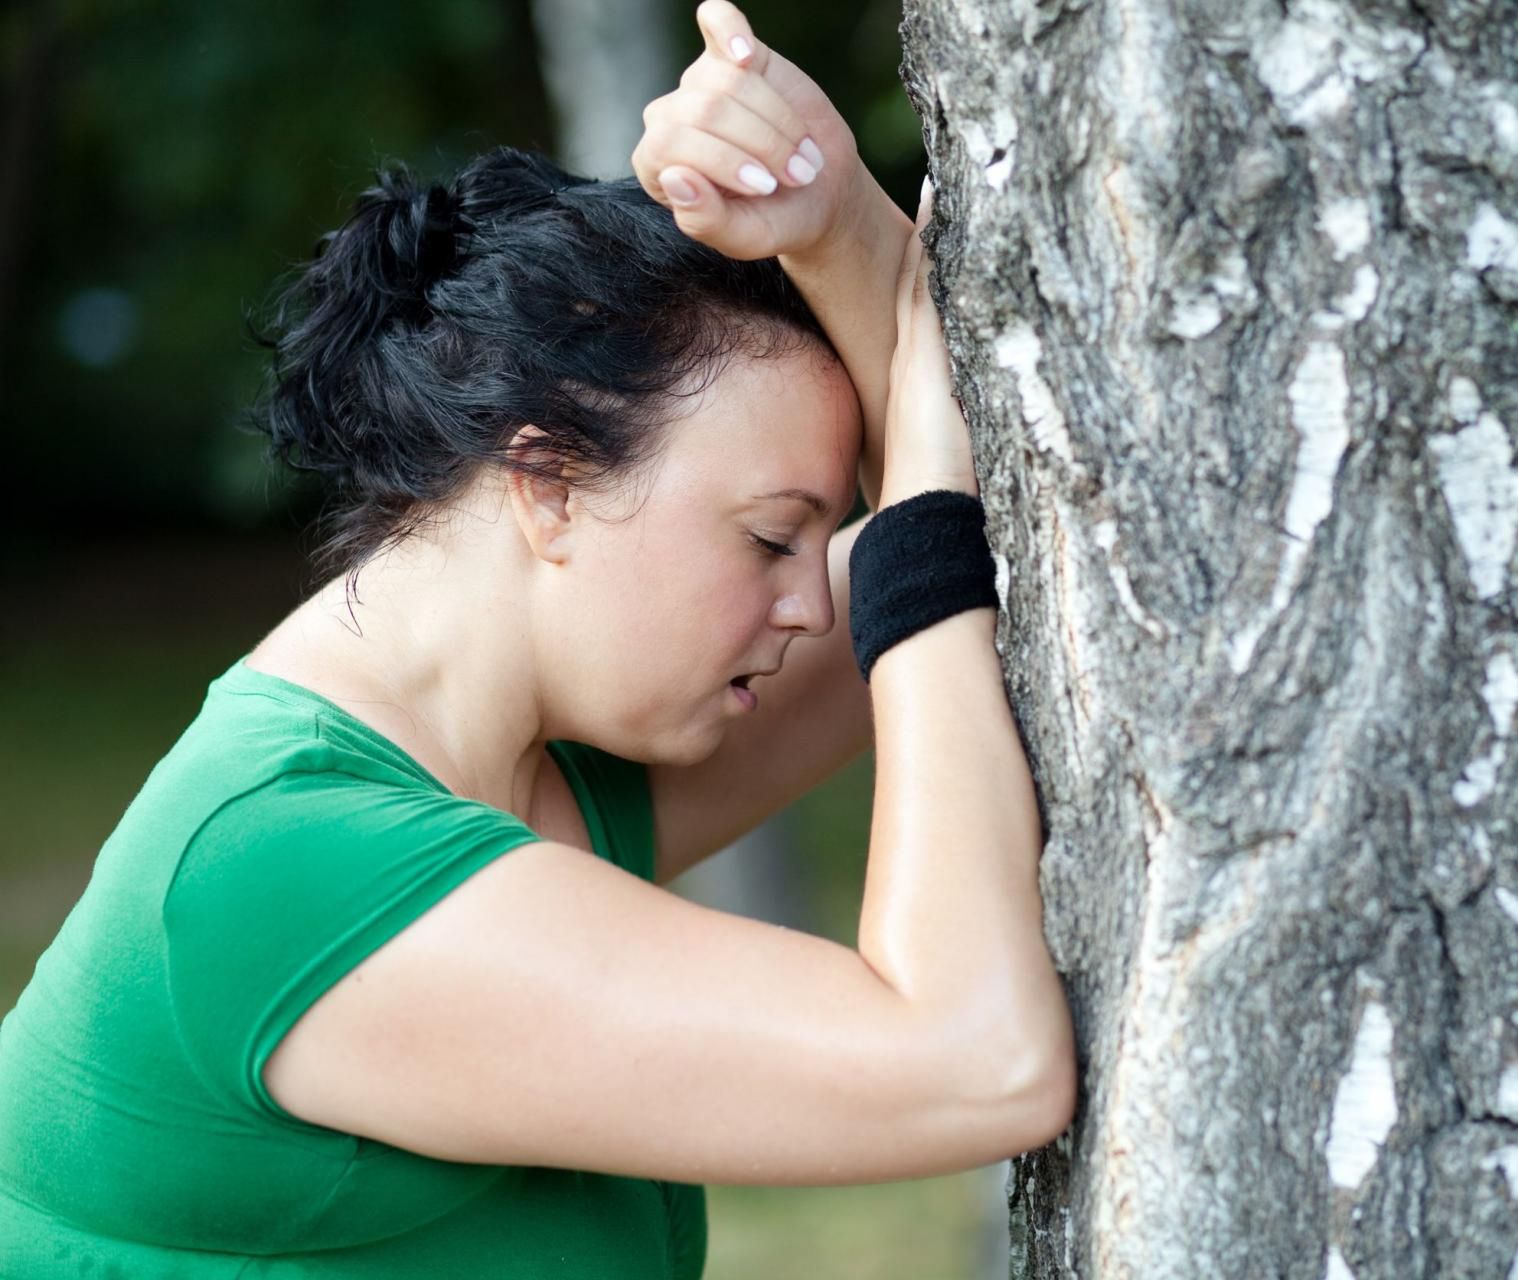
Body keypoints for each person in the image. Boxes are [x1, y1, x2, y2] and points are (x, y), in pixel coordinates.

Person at [0, 3, 1076, 1274]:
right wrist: (921, 499)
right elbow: (975, 1058)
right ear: (549, 482)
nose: (812, 598)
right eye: (772, 537)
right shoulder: (286, 869)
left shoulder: (518, 753)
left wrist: (834, 221)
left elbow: (971, 546)